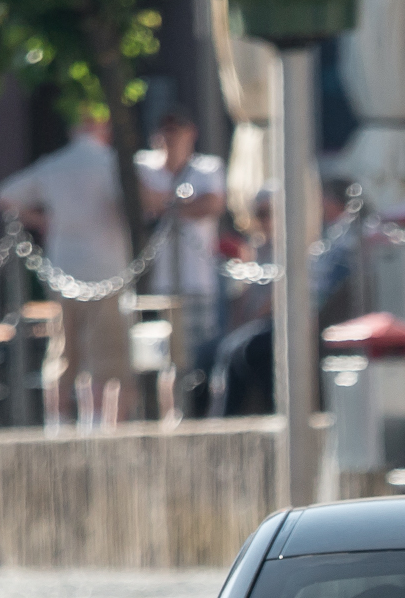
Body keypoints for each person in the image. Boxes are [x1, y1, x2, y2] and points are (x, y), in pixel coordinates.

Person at [0, 110, 139, 424]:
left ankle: (57, 422)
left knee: (62, 351)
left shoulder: (54, 164)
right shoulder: (112, 163)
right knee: (106, 356)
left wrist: (46, 222)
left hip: (64, 269)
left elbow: (5, 196)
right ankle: (102, 422)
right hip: (106, 270)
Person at [208, 182, 356, 417]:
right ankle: (219, 423)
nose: (263, 221)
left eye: (268, 213)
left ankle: (238, 420)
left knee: (242, 349)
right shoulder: (255, 249)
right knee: (222, 350)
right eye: (259, 214)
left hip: (292, 324)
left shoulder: (306, 244)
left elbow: (284, 299)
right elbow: (243, 301)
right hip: (269, 325)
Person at [134, 109, 228, 418]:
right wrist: (182, 203)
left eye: (177, 130)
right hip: (159, 283)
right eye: (165, 130)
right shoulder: (143, 165)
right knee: (165, 355)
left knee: (199, 353)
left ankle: (197, 411)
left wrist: (168, 204)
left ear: (191, 134)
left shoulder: (207, 167)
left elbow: (211, 204)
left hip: (198, 280)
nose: (170, 138)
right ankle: (171, 414)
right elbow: (144, 200)